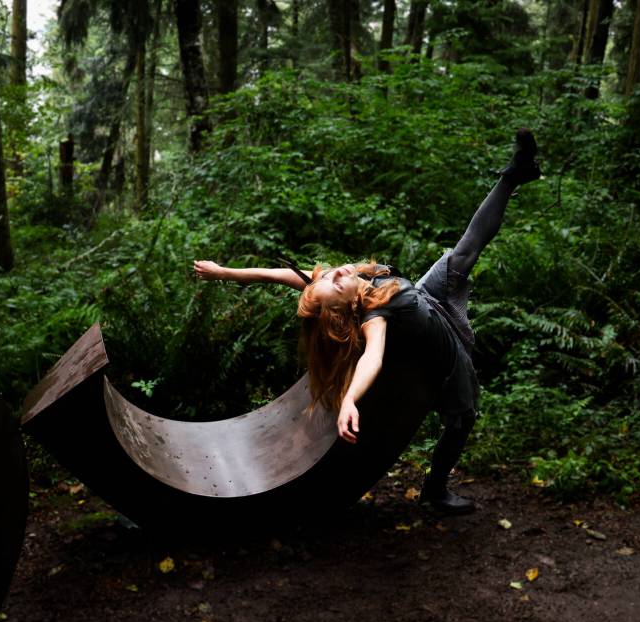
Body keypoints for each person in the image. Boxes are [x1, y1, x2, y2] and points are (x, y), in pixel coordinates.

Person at [193, 129, 541, 514]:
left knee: (467, 249)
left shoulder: (343, 282)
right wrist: (350, 401)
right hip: (443, 346)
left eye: (327, 277)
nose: (334, 274)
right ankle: (435, 490)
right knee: (463, 417)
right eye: (334, 284)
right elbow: (372, 358)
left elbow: (279, 275)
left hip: (428, 295)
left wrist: (225, 272)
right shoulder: (375, 314)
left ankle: (513, 175)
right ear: (345, 307)